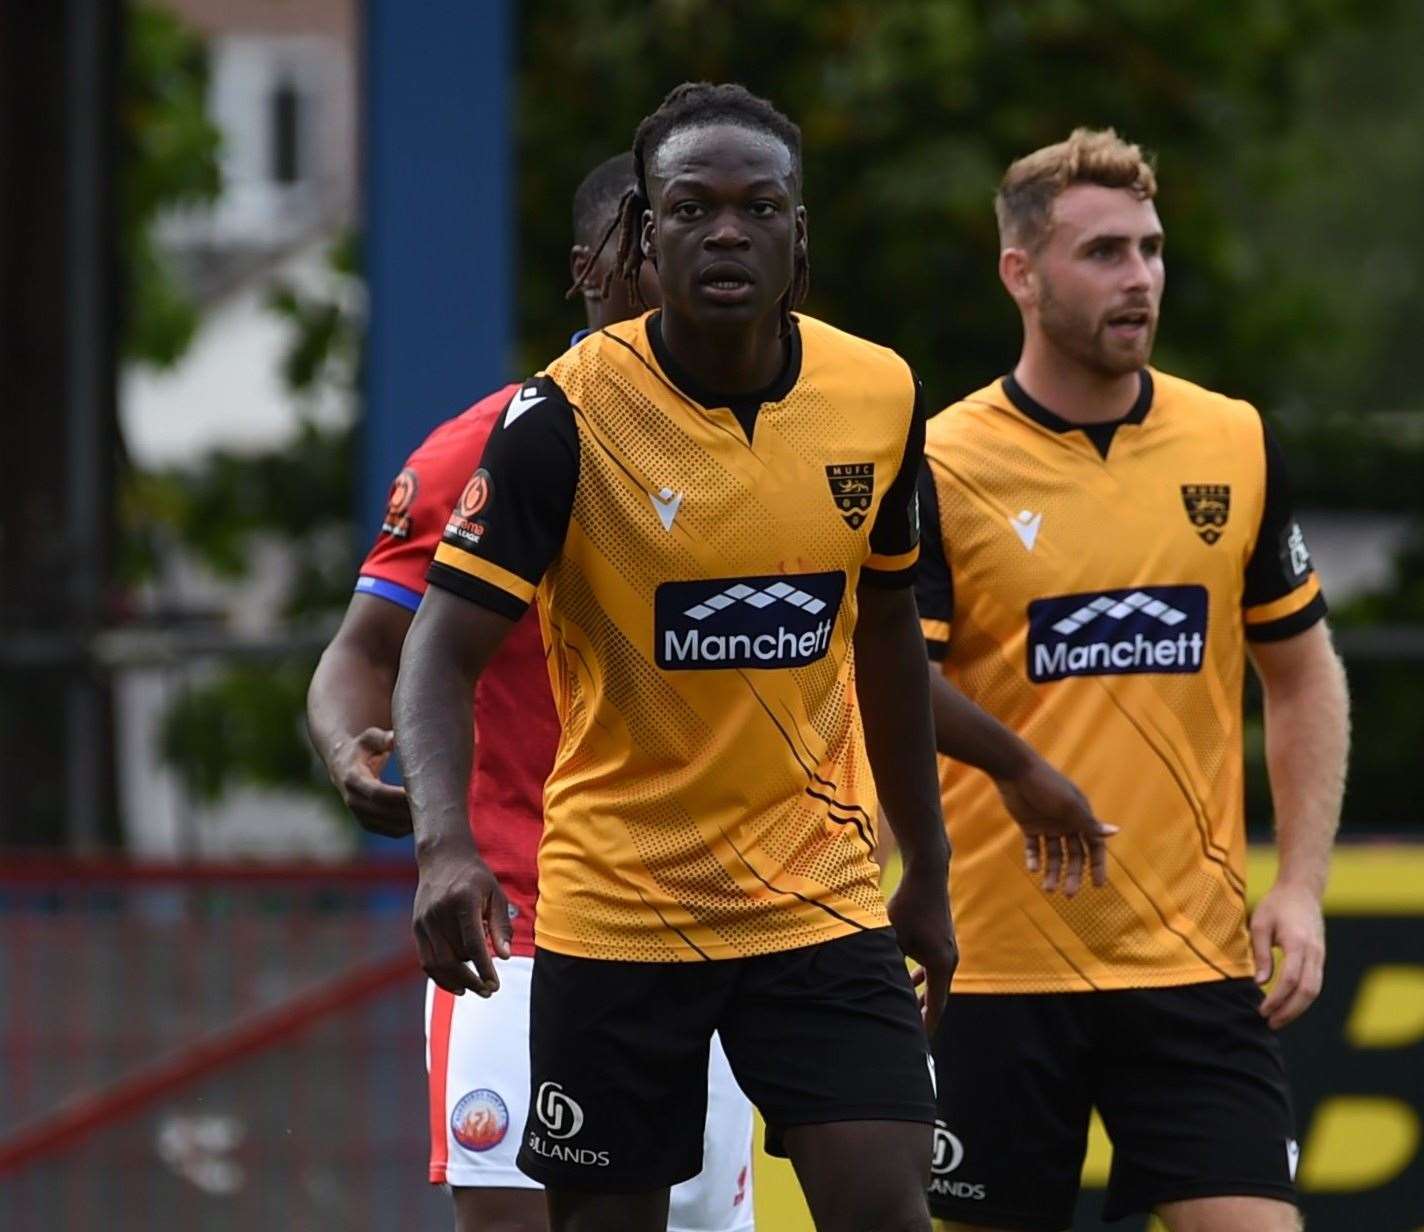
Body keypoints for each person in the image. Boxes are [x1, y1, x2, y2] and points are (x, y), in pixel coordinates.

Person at [393, 81, 968, 1232]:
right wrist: (443, 846)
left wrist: (931, 861)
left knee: (887, 1203)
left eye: (757, 208)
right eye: (692, 207)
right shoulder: (560, 419)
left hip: (816, 897)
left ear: (796, 237)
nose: (724, 231)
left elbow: (889, 635)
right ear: (643, 238)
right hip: (621, 906)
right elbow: (434, 654)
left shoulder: (878, 392)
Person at [307, 155, 755, 1232]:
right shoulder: (486, 446)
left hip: (715, 926)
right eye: (649, 245)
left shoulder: (775, 446)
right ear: (589, 270)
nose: (678, 266)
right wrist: (347, 750)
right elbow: (363, 646)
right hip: (521, 925)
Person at [916, 128, 1351, 1232]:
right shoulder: (936, 463)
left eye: (1150, 250)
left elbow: (1299, 675)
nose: (1139, 278)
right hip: (996, 967)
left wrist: (1297, 883)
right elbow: (884, 685)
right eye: (1103, 252)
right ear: (1020, 272)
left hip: (1192, 963)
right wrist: (1015, 769)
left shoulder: (1231, 441)